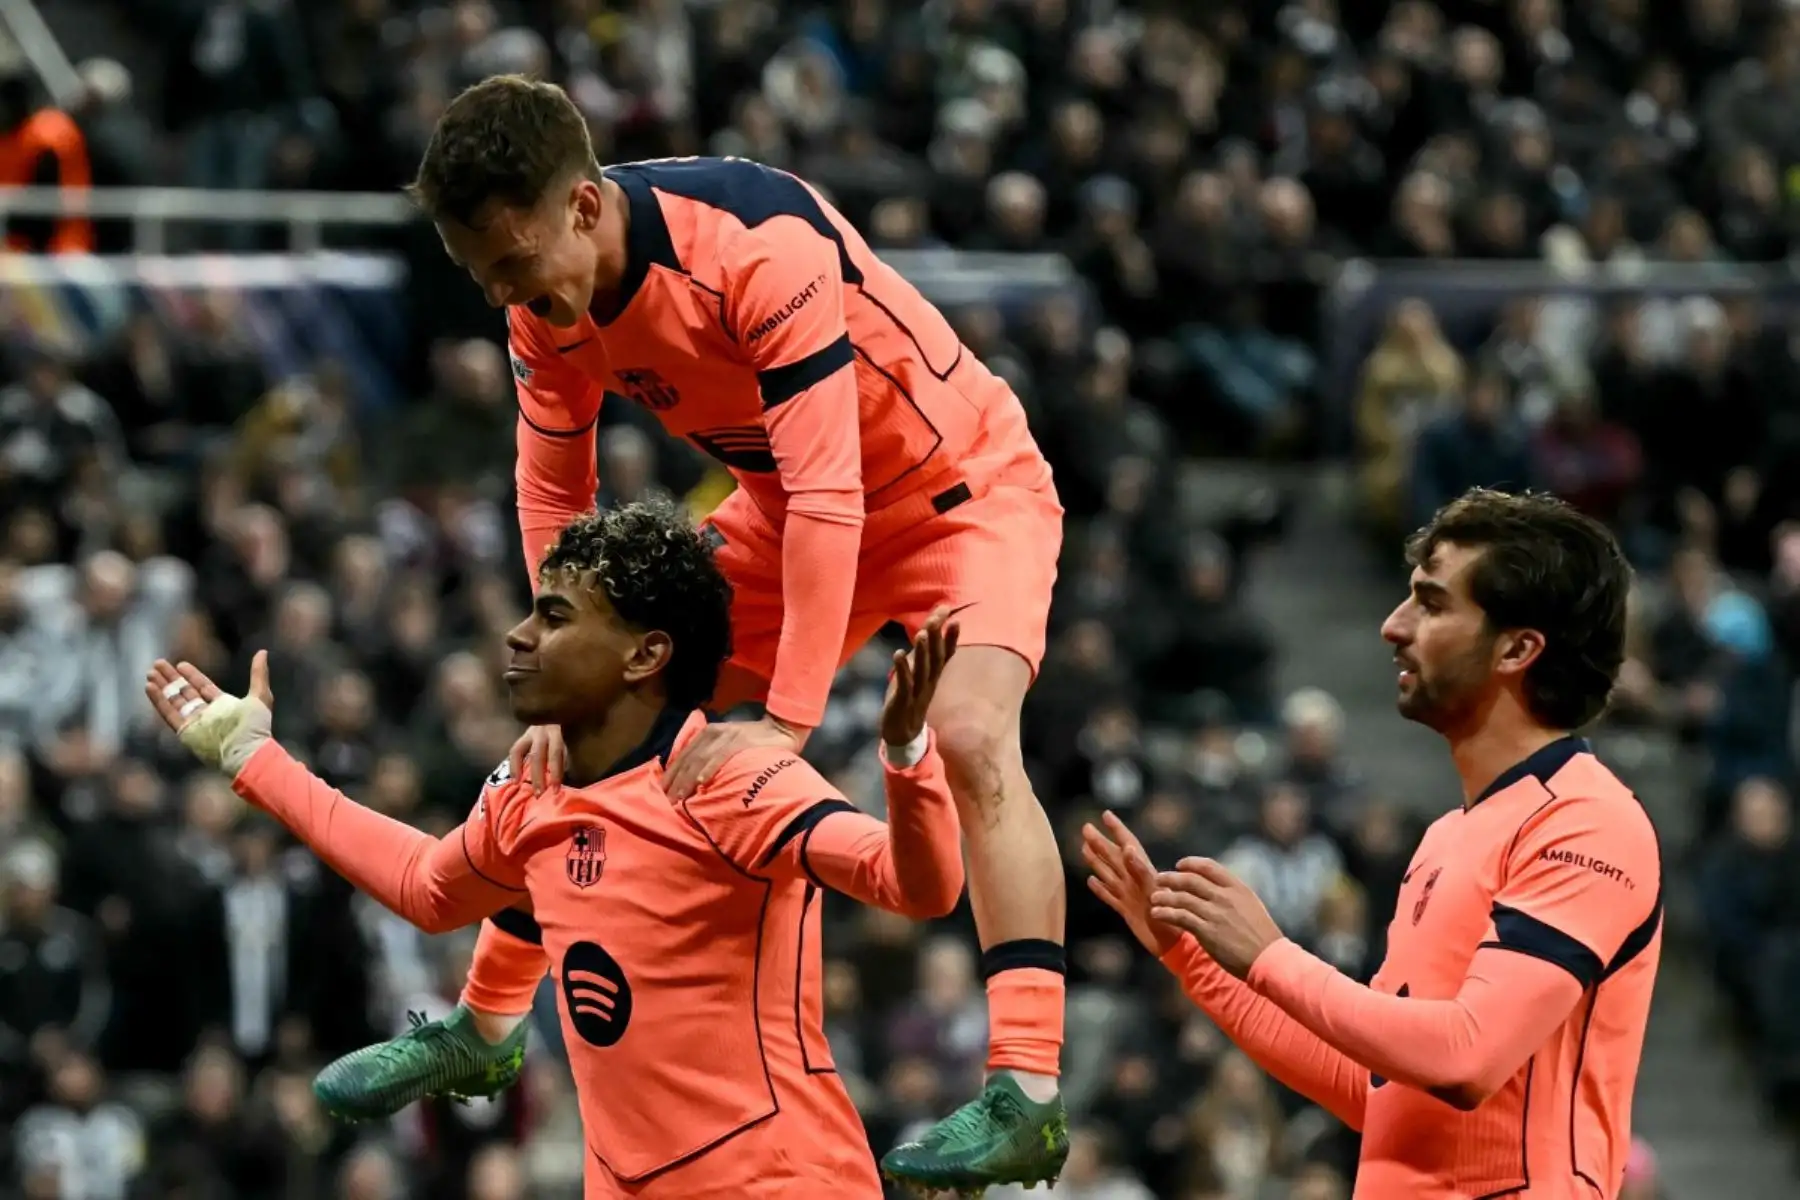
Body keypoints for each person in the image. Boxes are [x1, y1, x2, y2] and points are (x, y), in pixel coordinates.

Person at [319, 74, 1071, 1190]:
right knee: (620, 727)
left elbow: (833, 496)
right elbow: (550, 500)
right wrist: (576, 688)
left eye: (514, 266)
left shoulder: (755, 243)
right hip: (784, 504)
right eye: (483, 279)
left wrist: (784, 723)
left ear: (581, 207)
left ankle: (1028, 1092)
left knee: (964, 735)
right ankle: (483, 1029)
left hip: (957, 492)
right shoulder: (546, 313)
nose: (506, 298)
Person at [145, 501, 968, 1198]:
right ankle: (483, 1029)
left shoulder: (730, 778)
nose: (518, 634)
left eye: (556, 616)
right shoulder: (533, 787)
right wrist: (254, 759)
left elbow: (916, 886)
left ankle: (482, 1033)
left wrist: (905, 757)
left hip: (780, 1176)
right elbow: (428, 888)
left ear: (645, 655)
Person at [1084, 488, 1662, 1198]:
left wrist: (1270, 956)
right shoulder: (1450, 835)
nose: (1394, 626)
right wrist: (1195, 958)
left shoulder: (1586, 821)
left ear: (1517, 648)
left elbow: (1466, 1057)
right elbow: (1375, 1088)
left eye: (1432, 603)